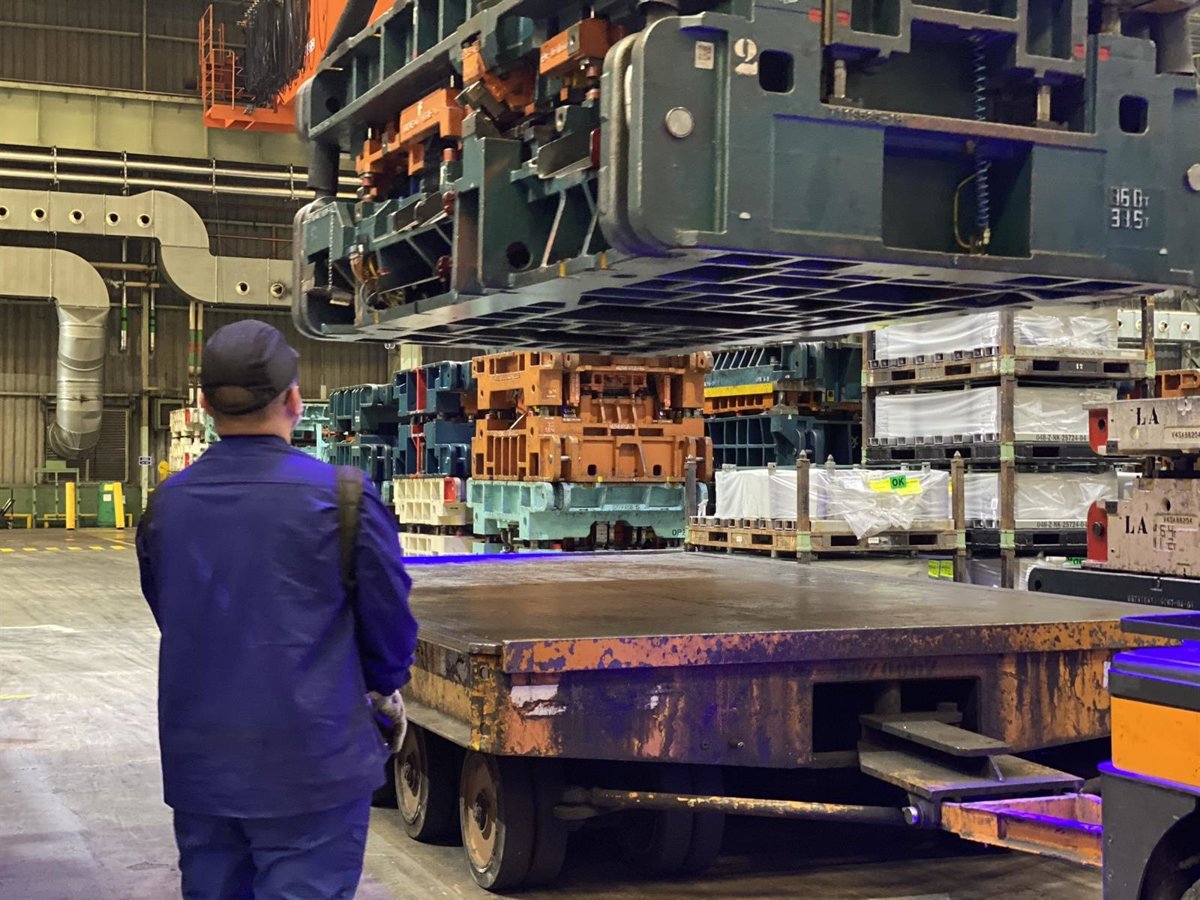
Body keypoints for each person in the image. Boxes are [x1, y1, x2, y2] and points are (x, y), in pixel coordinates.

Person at [136, 320, 418, 900]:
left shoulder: (166, 505)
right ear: (294, 400)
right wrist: (381, 689)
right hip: (313, 763)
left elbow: (172, 610)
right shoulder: (343, 497)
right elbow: (389, 625)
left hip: (203, 764)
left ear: (206, 406)